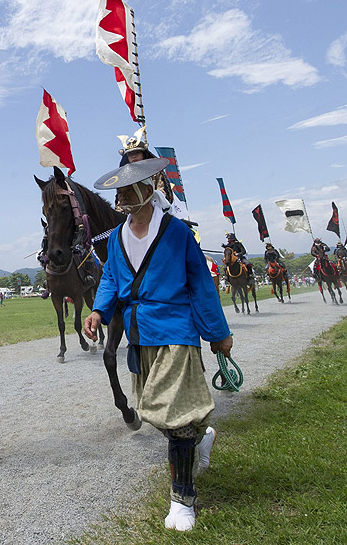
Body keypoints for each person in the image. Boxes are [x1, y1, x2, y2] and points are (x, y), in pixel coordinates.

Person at [83, 153, 233, 532]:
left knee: (175, 417)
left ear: (149, 190)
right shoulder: (116, 237)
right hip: (140, 336)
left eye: (128, 189)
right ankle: (200, 442)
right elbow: (111, 281)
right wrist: (99, 312)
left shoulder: (177, 232)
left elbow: (201, 284)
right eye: (118, 191)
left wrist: (217, 334)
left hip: (176, 331)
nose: (121, 197)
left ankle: (183, 501)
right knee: (159, 411)